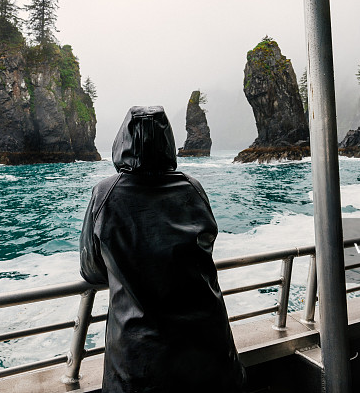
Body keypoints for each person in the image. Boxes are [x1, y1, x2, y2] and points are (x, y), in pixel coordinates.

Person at [80, 106, 246, 393]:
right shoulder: (192, 189)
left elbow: (92, 271)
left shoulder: (105, 195)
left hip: (138, 366)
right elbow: (203, 251)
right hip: (210, 353)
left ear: (122, 142)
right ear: (168, 142)